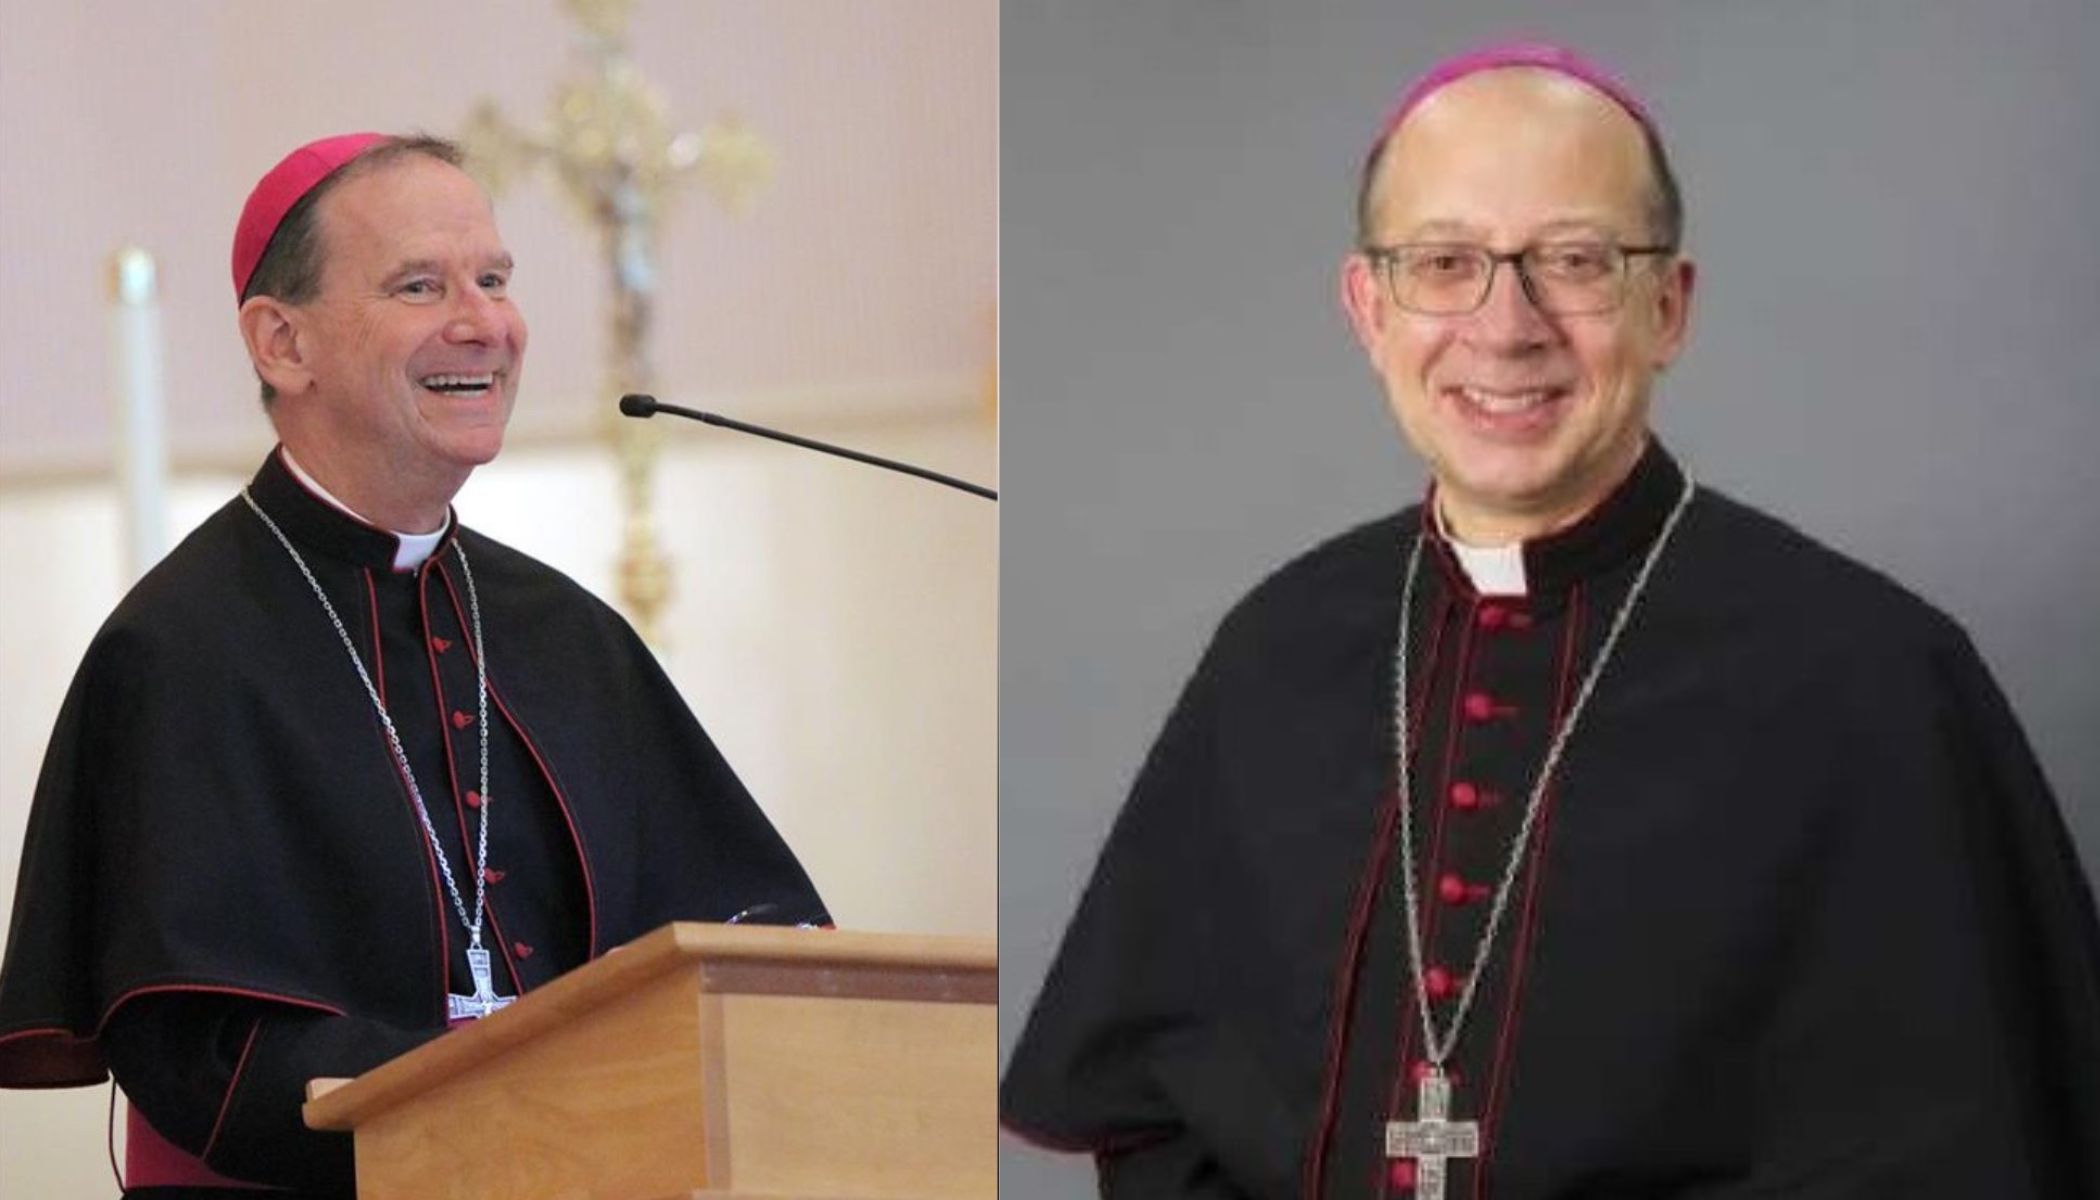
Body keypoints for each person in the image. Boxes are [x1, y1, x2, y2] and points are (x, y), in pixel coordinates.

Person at [1000, 42, 2100, 1199]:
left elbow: (1962, 1156)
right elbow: (1163, 1125)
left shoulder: (1877, 679)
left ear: (1667, 308)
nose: (1506, 325)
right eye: (1444, 262)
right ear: (1369, 310)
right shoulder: (1274, 650)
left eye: (1573, 260)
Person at [0, 132, 828, 1197]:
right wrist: (499, 1092)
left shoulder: (563, 631)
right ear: (282, 344)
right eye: (420, 285)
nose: (483, 322)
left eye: (493, 280)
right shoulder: (180, 648)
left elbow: (751, 942)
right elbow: (195, 1047)